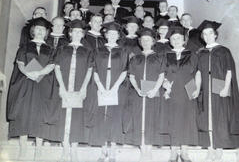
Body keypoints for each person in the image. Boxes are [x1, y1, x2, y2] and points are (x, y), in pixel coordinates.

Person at [7, 17, 55, 159]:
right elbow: (20, 63)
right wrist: (28, 73)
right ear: (33, 31)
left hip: (43, 84)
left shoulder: (50, 48)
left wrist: (39, 73)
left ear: (46, 32)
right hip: (26, 83)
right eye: (37, 29)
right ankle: (23, 151)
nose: (40, 31)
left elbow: (52, 65)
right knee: (24, 114)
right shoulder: (25, 47)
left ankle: (38, 152)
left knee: (40, 115)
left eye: (43, 29)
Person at [46, 19, 93, 161]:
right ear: (70, 33)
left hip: (79, 88)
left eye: (80, 32)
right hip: (65, 87)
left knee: (76, 119)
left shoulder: (87, 51)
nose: (77, 34)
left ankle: (74, 150)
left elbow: (90, 70)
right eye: (75, 31)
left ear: (83, 34)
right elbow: (57, 67)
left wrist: (84, 88)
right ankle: (65, 149)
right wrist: (61, 87)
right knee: (63, 118)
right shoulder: (62, 49)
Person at [196, 20, 239, 162]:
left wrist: (226, 88)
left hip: (219, 85)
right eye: (204, 34)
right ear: (202, 37)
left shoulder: (223, 50)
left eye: (210, 33)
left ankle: (219, 150)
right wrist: (197, 89)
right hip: (205, 86)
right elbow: (197, 72)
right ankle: (210, 150)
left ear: (215, 35)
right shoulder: (201, 52)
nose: (207, 36)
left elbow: (229, 70)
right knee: (207, 118)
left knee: (220, 118)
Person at [89, 22, 129, 162]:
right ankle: (103, 149)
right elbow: (93, 69)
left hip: (117, 86)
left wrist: (115, 87)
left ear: (118, 36)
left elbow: (125, 70)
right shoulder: (98, 50)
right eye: (109, 34)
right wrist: (100, 85)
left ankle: (112, 150)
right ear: (105, 35)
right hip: (100, 84)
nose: (112, 36)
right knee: (102, 116)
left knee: (115, 117)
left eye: (115, 34)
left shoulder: (123, 51)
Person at [160, 26, 200, 162]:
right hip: (172, 91)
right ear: (170, 41)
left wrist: (197, 88)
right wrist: (165, 84)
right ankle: (173, 151)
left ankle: (184, 151)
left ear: (184, 40)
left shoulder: (191, 54)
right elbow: (163, 74)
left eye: (179, 38)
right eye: (173, 38)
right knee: (173, 119)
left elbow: (197, 72)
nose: (176, 40)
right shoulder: (166, 55)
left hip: (188, 88)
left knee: (187, 119)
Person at [126, 28, 165, 161]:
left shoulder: (159, 57)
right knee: (139, 119)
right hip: (138, 93)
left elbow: (162, 75)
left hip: (153, 92)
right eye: (143, 40)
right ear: (140, 42)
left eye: (148, 40)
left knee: (151, 119)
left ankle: (149, 148)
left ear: (153, 41)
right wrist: (137, 89)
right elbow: (131, 76)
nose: (145, 42)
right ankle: (142, 148)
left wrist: (155, 89)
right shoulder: (135, 58)